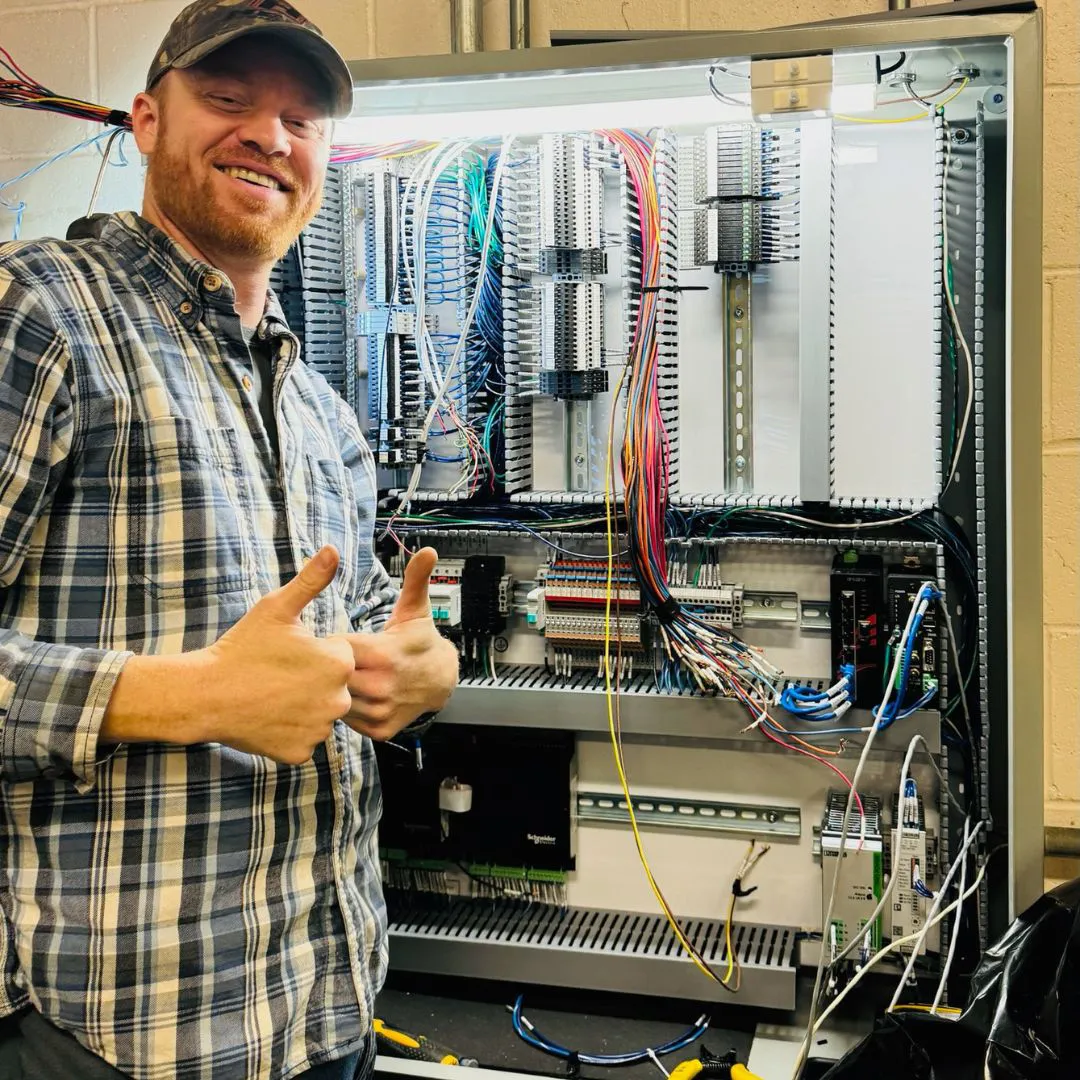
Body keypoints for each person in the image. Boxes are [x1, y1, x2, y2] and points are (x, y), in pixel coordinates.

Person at [0, 0, 459, 1076]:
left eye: (303, 118)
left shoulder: (315, 405)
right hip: (115, 1030)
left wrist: (414, 670)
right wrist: (183, 696)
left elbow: (350, 635)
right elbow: (226, 683)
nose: (270, 135)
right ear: (147, 120)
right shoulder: (42, 315)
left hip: (324, 1009)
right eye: (230, 100)